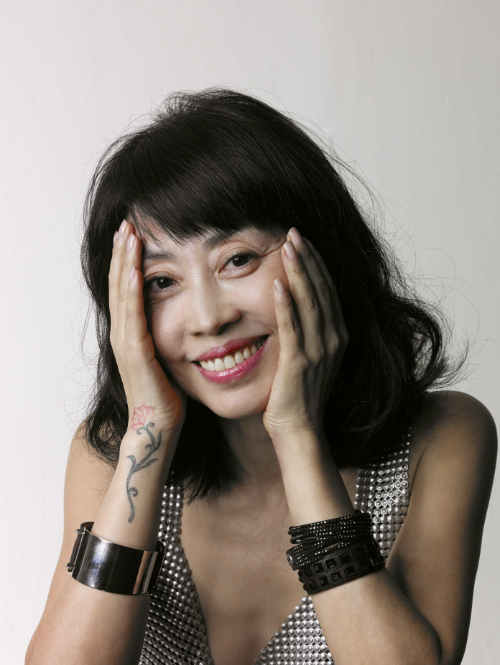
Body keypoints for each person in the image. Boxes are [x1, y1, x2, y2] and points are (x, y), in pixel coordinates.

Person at [26, 88, 496, 665]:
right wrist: (148, 432)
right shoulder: (110, 451)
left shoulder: (442, 436)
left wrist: (298, 435)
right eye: (161, 282)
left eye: (238, 259)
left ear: (322, 249)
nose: (208, 318)